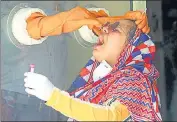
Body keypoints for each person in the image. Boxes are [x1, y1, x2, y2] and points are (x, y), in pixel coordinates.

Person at [24, 19, 162, 121]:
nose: (104, 29)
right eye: (106, 26)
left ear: (131, 47)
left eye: (115, 29)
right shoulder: (100, 83)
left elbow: (112, 117)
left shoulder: (135, 80)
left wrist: (53, 96)